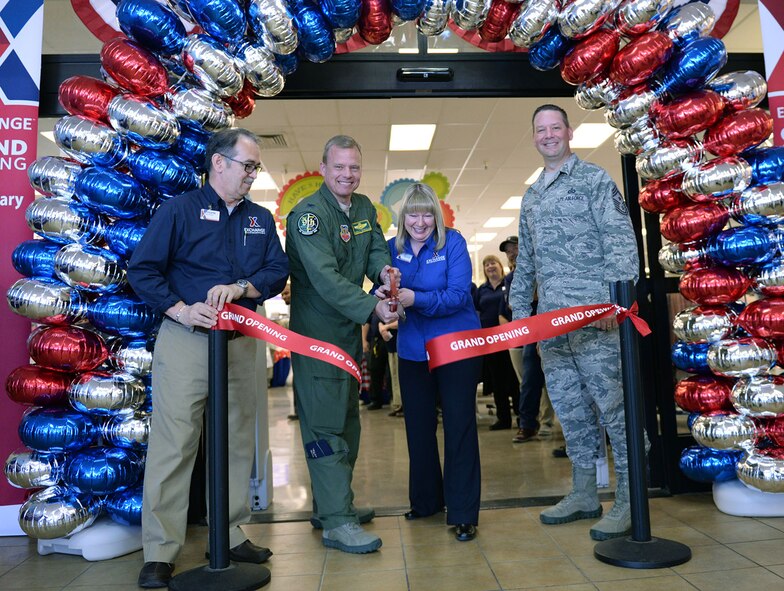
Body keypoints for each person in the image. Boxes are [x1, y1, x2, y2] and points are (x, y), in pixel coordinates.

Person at [127, 128, 289, 588]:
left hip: (242, 342)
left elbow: (278, 270)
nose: (253, 175)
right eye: (248, 166)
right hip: (187, 340)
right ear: (219, 163)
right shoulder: (178, 211)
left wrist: (242, 288)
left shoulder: (259, 218)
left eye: (256, 168)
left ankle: (231, 530)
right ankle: (160, 551)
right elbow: (143, 269)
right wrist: (180, 308)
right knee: (175, 444)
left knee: (239, 439)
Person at [509, 104, 640, 541]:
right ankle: (585, 492)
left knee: (615, 411)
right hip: (551, 328)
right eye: (540, 130)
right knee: (570, 410)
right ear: (534, 138)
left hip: (595, 322)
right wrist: (519, 318)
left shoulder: (594, 181)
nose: (548, 136)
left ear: (568, 132)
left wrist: (612, 303)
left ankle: (629, 497)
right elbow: (525, 260)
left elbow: (621, 244)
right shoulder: (532, 195)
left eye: (554, 128)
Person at [286, 135, 397, 554]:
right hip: (318, 337)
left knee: (348, 421)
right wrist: (373, 308)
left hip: (349, 335)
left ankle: (331, 504)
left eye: (354, 167)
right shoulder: (308, 216)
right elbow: (325, 278)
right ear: (323, 167)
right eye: (339, 167)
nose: (347, 175)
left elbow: (375, 250)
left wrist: (384, 274)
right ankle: (336, 522)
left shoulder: (365, 207)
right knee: (327, 426)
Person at [387, 182, 482, 542]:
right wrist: (385, 294)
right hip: (413, 349)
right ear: (403, 217)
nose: (420, 221)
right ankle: (426, 501)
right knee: (418, 429)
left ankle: (463, 512)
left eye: (427, 213)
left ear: (436, 216)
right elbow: (381, 288)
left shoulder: (452, 243)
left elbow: (458, 296)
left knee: (459, 426)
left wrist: (415, 299)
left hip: (455, 348)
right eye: (413, 213)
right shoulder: (391, 249)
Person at [497, 235, 552, 443]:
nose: (512, 253)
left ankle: (553, 425)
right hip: (532, 330)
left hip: (554, 322)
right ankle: (528, 424)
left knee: (561, 377)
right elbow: (514, 305)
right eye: (508, 251)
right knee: (530, 379)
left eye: (514, 248)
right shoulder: (511, 278)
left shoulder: (540, 265)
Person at [475, 254, 519, 430]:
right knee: (496, 380)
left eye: (493, 263)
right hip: (489, 342)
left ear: (500, 266)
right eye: (486, 265)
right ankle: (503, 418)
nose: (490, 267)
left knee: (513, 379)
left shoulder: (508, 285)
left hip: (508, 338)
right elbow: (476, 312)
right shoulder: (481, 290)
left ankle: (520, 416)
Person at [379, 318, 402, 416]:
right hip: (390, 345)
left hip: (400, 346)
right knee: (393, 376)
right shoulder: (383, 306)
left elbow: (403, 321)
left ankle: (403, 405)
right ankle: (397, 404)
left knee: (400, 376)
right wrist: (382, 328)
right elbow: (379, 319)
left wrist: (386, 326)